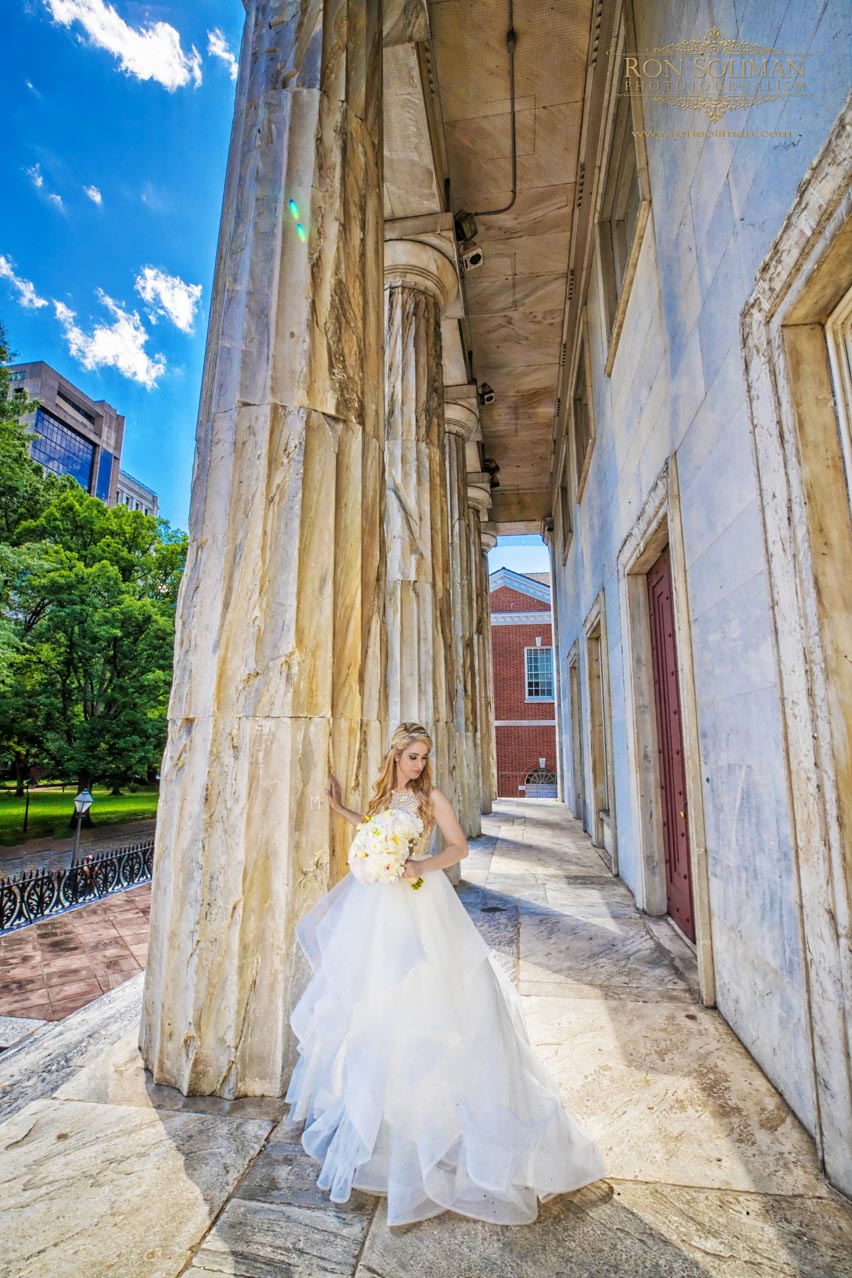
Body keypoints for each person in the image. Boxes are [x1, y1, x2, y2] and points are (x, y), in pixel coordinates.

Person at [281, 721, 608, 1226]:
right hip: (377, 907)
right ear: (395, 756)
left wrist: (418, 866)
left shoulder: (432, 797)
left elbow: (459, 849)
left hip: (419, 900)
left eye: (423, 756)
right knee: (376, 1000)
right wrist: (340, 808)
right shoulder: (383, 796)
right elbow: (369, 833)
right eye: (412, 755)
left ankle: (447, 1121)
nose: (419, 763)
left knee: (436, 998)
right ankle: (384, 1115)